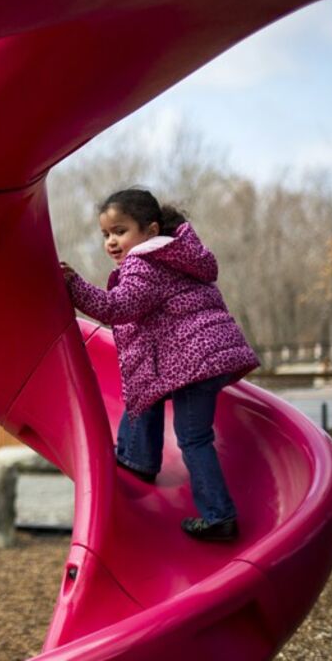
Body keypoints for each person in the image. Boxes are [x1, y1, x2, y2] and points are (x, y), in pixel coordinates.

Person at [59, 188, 259, 542]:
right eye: (105, 234)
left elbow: (117, 308)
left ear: (150, 231)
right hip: (206, 357)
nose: (111, 242)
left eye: (120, 231)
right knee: (146, 389)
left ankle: (219, 516)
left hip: (193, 361)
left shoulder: (144, 261)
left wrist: (74, 286)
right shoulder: (179, 257)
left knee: (193, 438)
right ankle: (140, 460)